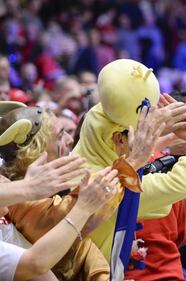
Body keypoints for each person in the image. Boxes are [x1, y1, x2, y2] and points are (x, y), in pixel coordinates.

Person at [72, 59, 186, 279]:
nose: (145, 140)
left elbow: (114, 107)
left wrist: (158, 125)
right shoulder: (109, 185)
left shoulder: (96, 128)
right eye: (139, 133)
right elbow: (180, 183)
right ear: (118, 140)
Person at [1, 101, 158, 280]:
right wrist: (132, 162)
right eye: (60, 135)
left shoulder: (37, 190)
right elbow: (80, 210)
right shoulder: (19, 201)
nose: (69, 139)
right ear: (35, 150)